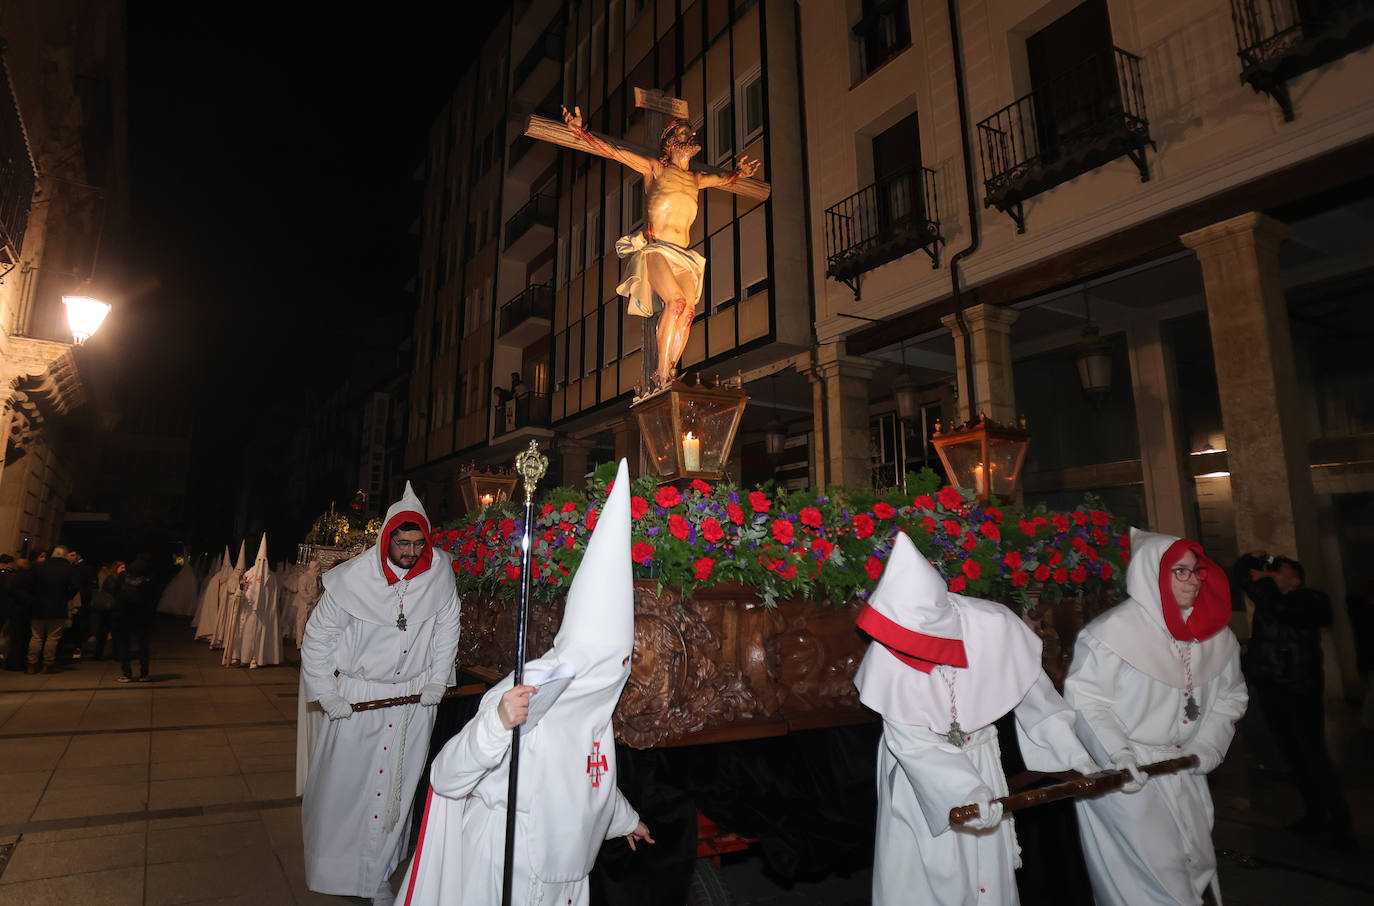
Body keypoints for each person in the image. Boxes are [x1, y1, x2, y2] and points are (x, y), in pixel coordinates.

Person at [398, 458, 652, 906]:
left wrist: (627, 820)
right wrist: (496, 725)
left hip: (567, 873)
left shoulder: (590, 710)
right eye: (607, 661)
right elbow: (446, 775)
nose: (614, 674)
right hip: (502, 864)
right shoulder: (529, 689)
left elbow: (590, 782)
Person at [852, 530, 1098, 906]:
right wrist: (966, 791)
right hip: (922, 781)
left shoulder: (991, 625)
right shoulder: (890, 648)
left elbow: (1038, 697)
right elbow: (912, 744)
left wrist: (1073, 754)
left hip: (982, 758)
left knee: (989, 880)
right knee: (926, 882)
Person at [1065, 529, 1248, 906]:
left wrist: (1205, 746)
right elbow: (1086, 702)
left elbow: (1231, 696)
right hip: (1129, 775)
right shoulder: (1110, 634)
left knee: (1194, 863)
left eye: (1196, 571)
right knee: (1151, 882)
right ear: (1152, 574)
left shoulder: (1217, 636)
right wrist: (1118, 755)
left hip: (1183, 768)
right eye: (1180, 571)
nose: (1194, 580)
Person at [299, 483, 461, 906]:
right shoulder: (352, 579)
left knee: (397, 791)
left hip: (412, 700)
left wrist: (437, 680)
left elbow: (448, 630)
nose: (409, 551)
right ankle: (336, 868)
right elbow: (316, 638)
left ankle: (378, 876)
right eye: (402, 542)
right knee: (347, 786)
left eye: (417, 543)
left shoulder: (441, 571)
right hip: (357, 698)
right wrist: (327, 693)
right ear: (386, 538)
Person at [560, 106, 760, 390]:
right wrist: (581, 132)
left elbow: (726, 179)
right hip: (658, 250)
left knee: (688, 313)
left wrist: (739, 173)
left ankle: (671, 372)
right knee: (675, 304)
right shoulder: (655, 168)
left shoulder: (696, 179)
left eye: (691, 132)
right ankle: (662, 375)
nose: (691, 135)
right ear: (669, 141)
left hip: (685, 256)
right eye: (683, 132)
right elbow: (614, 151)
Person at [1235, 553, 1354, 849]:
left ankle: (1341, 828)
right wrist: (1252, 560)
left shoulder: (1310, 600)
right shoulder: (1268, 599)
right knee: (1294, 759)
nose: (1271, 575)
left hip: (1300, 691)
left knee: (1314, 758)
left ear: (1296, 579)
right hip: (1273, 690)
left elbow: (1285, 610)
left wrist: (1268, 583)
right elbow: (1242, 577)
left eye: (1280, 571)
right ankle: (1314, 817)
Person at [27, 544, 79, 673]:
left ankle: (31, 664)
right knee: (53, 637)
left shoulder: (39, 567)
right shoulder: (69, 569)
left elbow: (30, 585)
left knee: (36, 637)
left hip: (38, 607)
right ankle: (47, 664)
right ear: (65, 555)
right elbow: (74, 587)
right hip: (58, 607)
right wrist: (66, 597)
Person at [113, 556, 157, 683]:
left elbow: (116, 593)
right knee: (143, 646)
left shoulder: (122, 577)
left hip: (123, 615)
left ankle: (126, 674)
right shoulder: (149, 581)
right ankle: (144, 674)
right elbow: (153, 599)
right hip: (142, 616)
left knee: (123, 645)